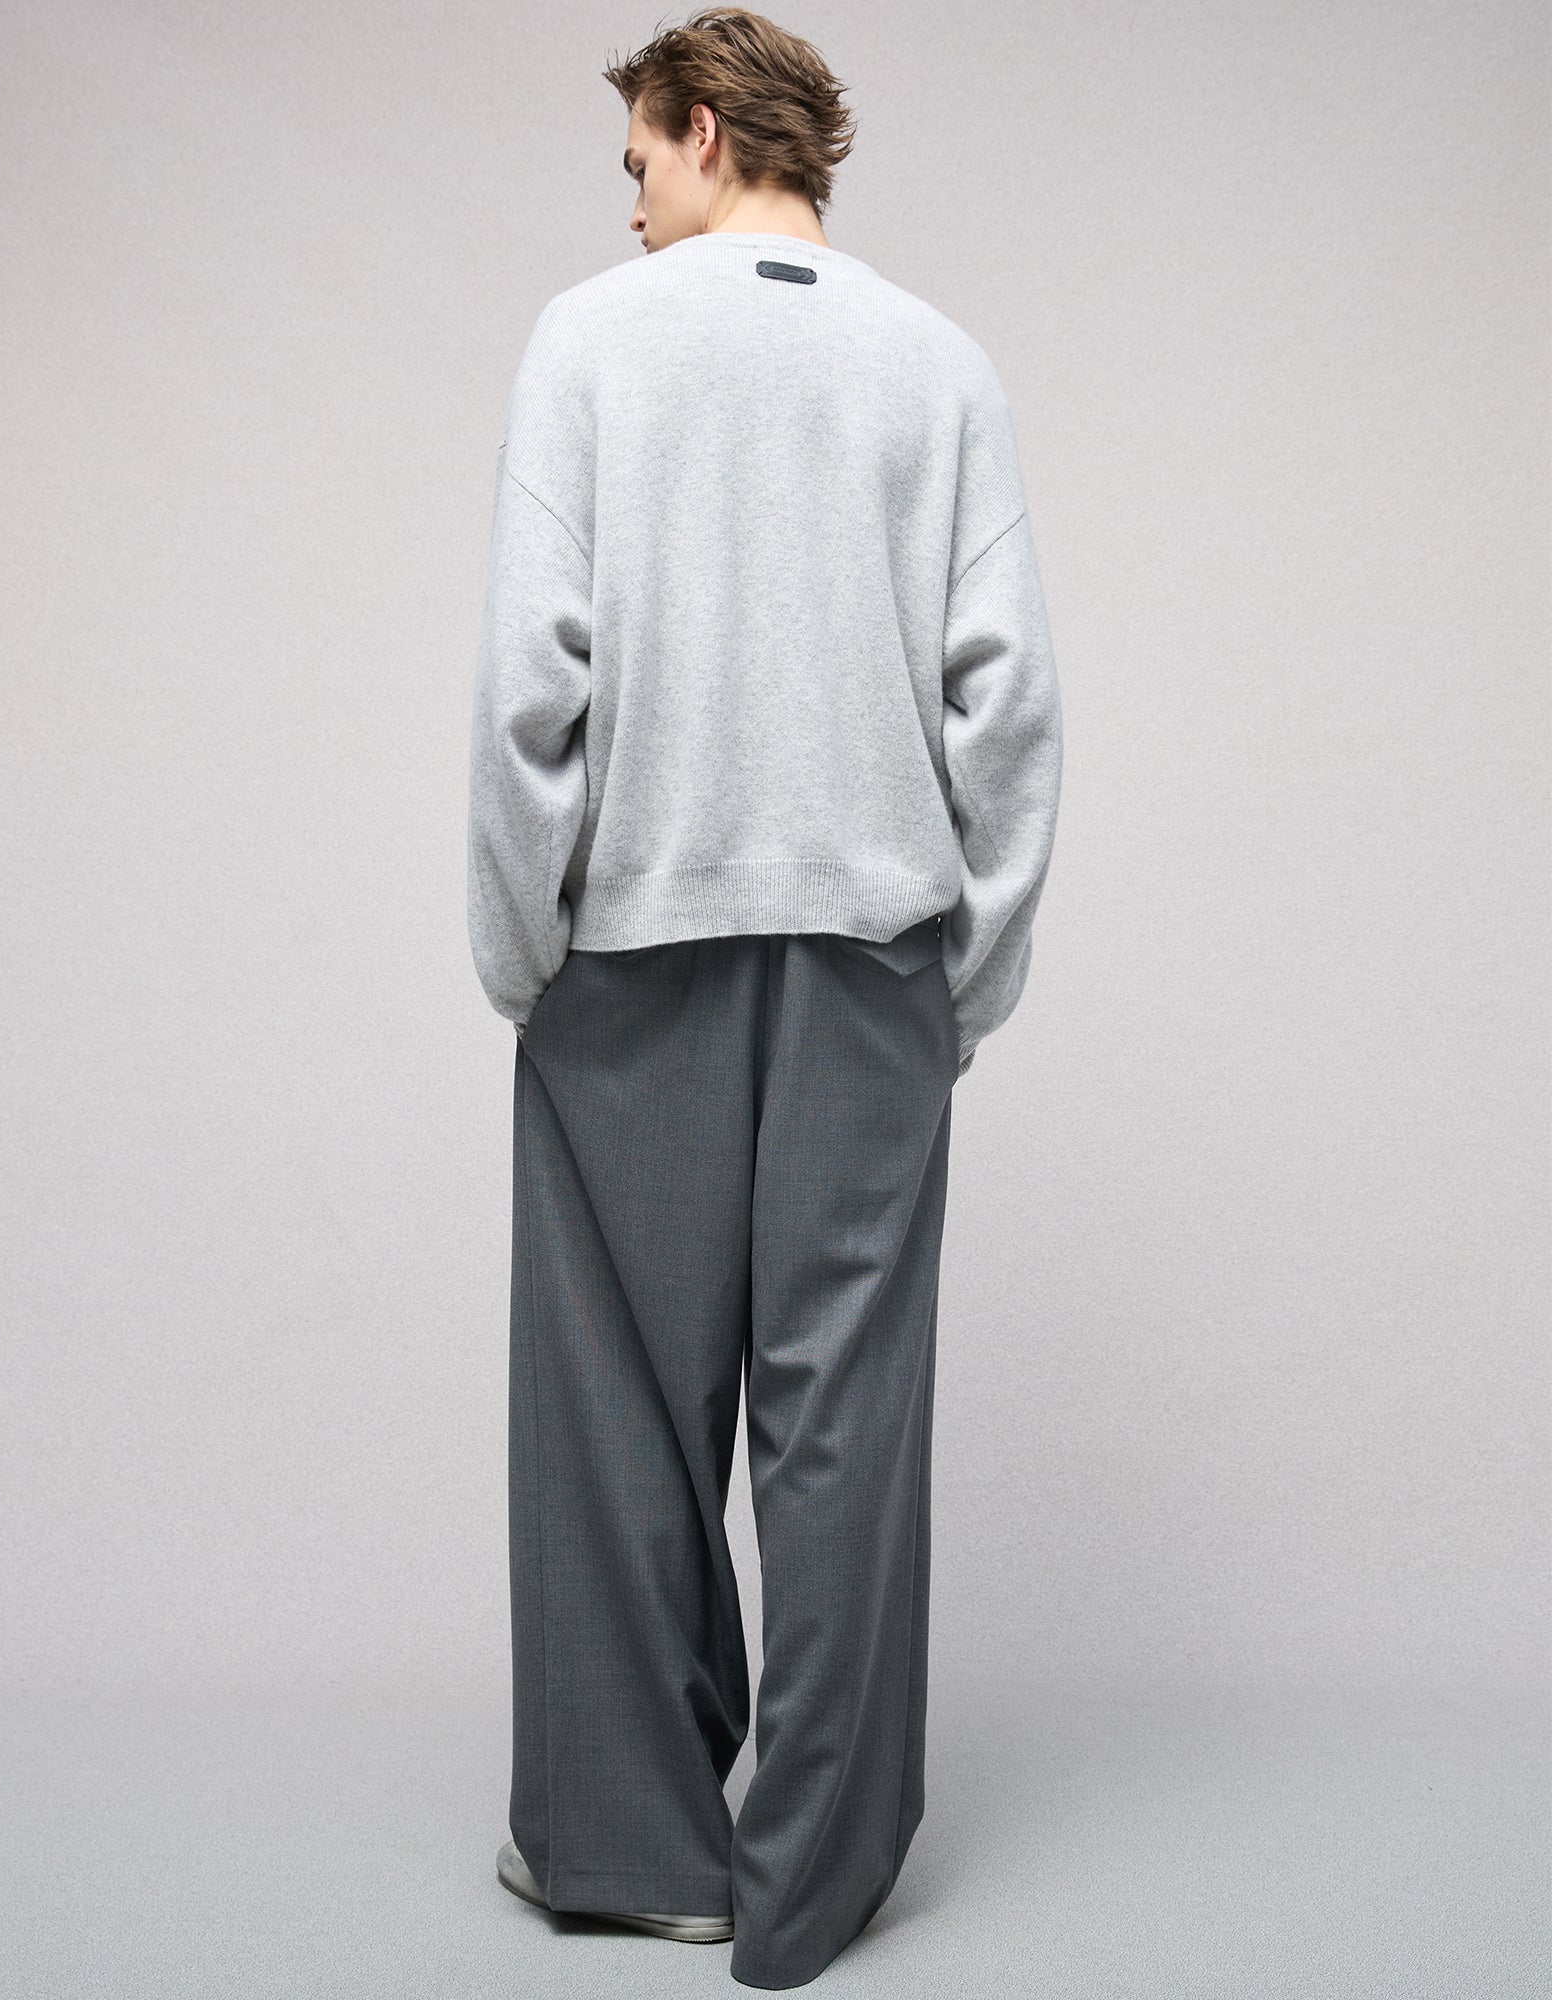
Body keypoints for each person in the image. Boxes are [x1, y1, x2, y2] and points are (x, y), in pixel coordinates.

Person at [467, 7, 1063, 1987]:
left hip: (630, 957)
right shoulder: (939, 362)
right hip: (870, 962)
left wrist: (520, 948)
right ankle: (813, 1880)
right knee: (843, 1423)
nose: (630, 202)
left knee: (614, 1416)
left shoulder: (587, 343)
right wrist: (959, 982)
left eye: (636, 158)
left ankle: (635, 1848)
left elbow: (529, 686)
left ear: (704, 127)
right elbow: (1007, 706)